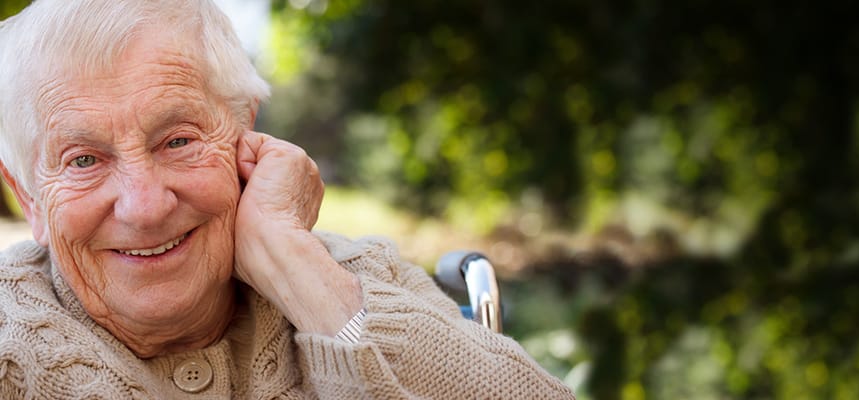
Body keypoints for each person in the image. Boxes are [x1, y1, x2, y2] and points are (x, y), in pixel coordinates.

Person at [0, 1, 574, 398]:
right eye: (83, 160)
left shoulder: (356, 279)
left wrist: (292, 264)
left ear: (244, 133)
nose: (144, 206)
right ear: (28, 196)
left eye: (178, 141)